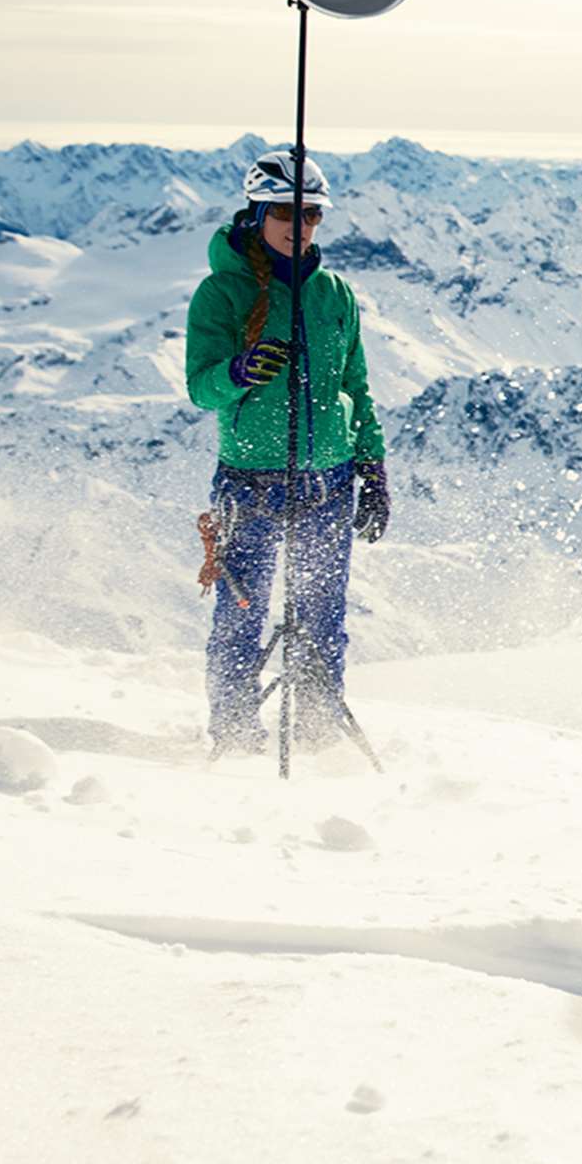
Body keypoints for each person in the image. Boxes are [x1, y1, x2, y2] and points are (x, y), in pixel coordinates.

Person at [183, 150, 391, 755]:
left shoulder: (335, 295)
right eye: (285, 213)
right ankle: (234, 730)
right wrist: (240, 371)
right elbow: (201, 388)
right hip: (249, 482)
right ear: (257, 212)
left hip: (328, 479)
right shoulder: (221, 294)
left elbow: (356, 385)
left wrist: (372, 468)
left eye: (312, 216)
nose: (299, 227)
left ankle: (320, 731)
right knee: (242, 616)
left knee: (323, 613)